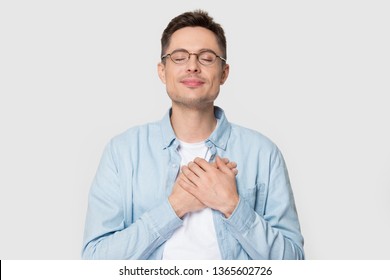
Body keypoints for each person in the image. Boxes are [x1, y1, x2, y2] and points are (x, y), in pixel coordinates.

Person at [82, 10, 304, 260]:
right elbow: (94, 260)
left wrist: (232, 205)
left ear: (224, 73)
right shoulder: (122, 152)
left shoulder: (263, 153)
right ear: (162, 71)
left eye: (207, 58)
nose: (192, 66)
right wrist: (175, 207)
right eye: (179, 57)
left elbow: (294, 262)